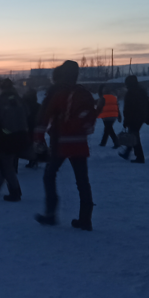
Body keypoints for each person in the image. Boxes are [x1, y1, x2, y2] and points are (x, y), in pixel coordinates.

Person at [34, 61, 98, 230]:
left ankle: (51, 213)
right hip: (80, 142)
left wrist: (39, 138)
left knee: (49, 175)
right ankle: (85, 218)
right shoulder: (81, 92)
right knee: (82, 181)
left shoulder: (56, 93)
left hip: (60, 142)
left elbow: (43, 117)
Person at [0, 79, 28, 201]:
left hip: (6, 137)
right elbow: (27, 113)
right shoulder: (20, 100)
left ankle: (15, 192)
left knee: (6, 164)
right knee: (6, 162)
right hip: (21, 135)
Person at [119, 75, 149, 163]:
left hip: (133, 118)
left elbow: (127, 108)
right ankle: (128, 152)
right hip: (141, 117)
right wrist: (148, 117)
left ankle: (139, 157)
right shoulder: (142, 92)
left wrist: (126, 121)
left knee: (134, 137)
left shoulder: (130, 93)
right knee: (133, 135)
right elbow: (148, 105)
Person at [96, 84, 121, 149]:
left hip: (106, 115)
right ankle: (103, 142)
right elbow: (117, 106)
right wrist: (119, 115)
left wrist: (95, 114)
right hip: (114, 115)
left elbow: (99, 107)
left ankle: (116, 142)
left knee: (109, 129)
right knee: (107, 128)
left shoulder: (102, 97)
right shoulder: (114, 96)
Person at [23, 88, 41, 168]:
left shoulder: (25, 104)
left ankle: (32, 159)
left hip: (27, 125)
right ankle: (35, 158)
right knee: (34, 142)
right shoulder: (37, 106)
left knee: (29, 143)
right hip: (35, 125)